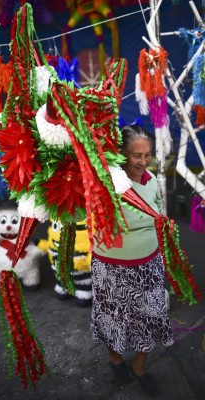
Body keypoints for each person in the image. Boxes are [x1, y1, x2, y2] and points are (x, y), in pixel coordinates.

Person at [90, 124, 174, 396]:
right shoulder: (103, 181)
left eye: (147, 154)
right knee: (112, 319)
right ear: (121, 154)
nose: (143, 161)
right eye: (136, 155)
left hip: (148, 267)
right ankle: (115, 359)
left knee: (151, 318)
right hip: (110, 269)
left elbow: (159, 216)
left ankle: (139, 366)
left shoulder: (150, 180)